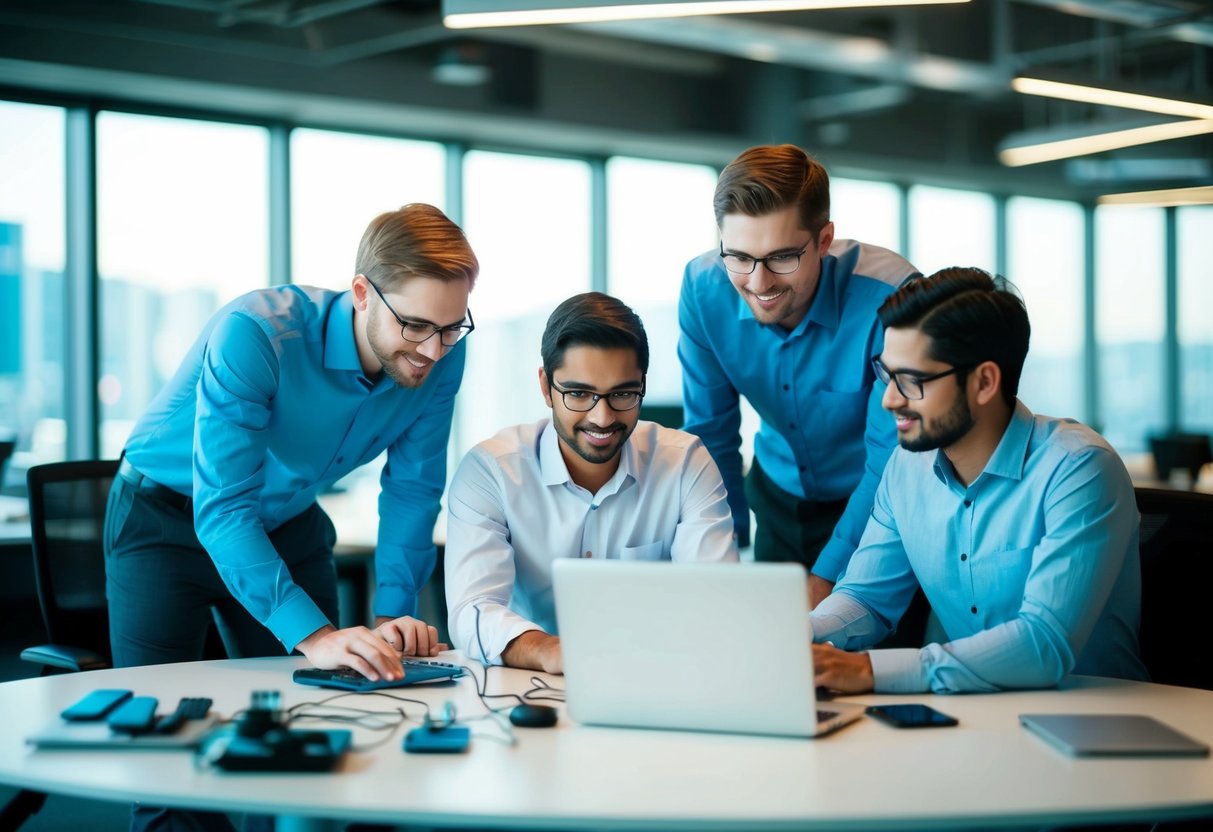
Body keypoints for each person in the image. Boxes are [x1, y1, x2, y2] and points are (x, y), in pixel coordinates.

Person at [105, 203, 478, 686]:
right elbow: (224, 508)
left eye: (450, 327)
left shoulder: (444, 355)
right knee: (154, 706)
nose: (433, 350)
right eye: (416, 325)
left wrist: (393, 619)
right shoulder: (256, 335)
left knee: (325, 697)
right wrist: (317, 635)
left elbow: (414, 488)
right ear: (363, 293)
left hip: (286, 521)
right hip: (165, 522)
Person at [810, 267, 1148, 694]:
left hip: (1099, 726)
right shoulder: (905, 469)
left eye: (912, 381)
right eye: (886, 374)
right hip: (970, 717)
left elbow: (1043, 643)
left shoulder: (1079, 468)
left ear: (985, 382)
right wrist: (797, 639)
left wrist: (870, 672)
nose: (889, 399)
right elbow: (865, 598)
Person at [444, 292, 738, 674]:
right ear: (546, 387)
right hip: (526, 685)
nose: (602, 417)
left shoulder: (684, 463)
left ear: (643, 386)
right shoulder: (491, 471)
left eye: (622, 394)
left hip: (655, 676)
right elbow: (472, 611)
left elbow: (716, 601)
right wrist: (549, 650)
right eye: (579, 394)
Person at [678, 144, 919, 607]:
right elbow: (711, 434)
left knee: (864, 664)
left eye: (782, 257)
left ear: (824, 240)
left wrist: (827, 577)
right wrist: (718, 561)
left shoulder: (894, 300)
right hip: (778, 496)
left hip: (879, 506)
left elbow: (889, 458)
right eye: (739, 256)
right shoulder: (703, 288)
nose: (759, 282)